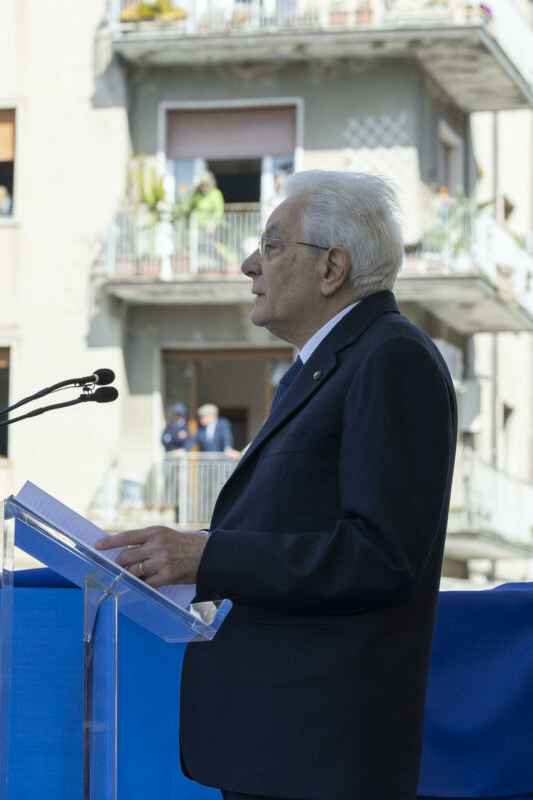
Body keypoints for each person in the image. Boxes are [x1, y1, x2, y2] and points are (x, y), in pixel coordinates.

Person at [95, 170, 457, 800]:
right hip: (279, 749)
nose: (246, 265)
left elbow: (380, 554)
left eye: (270, 245)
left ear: (331, 268)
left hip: (321, 757)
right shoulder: (321, 368)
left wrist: (207, 554)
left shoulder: (391, 358)